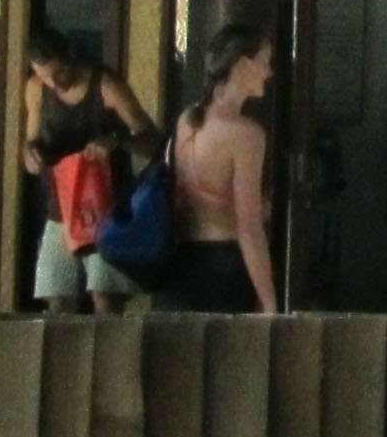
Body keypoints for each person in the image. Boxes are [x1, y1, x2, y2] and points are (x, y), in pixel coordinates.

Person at [21, 32, 156, 312]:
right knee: (56, 296)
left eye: (59, 72)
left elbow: (153, 139)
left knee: (106, 296)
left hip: (106, 205)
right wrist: (30, 153)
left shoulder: (106, 86)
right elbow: (31, 139)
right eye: (45, 76)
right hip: (61, 205)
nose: (54, 82)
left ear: (71, 57)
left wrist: (118, 140)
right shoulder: (36, 88)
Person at [155, 26, 278, 313]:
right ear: (243, 64)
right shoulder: (246, 134)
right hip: (223, 268)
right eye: (264, 61)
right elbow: (249, 227)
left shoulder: (187, 119)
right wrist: (269, 302)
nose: (269, 72)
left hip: (178, 264)